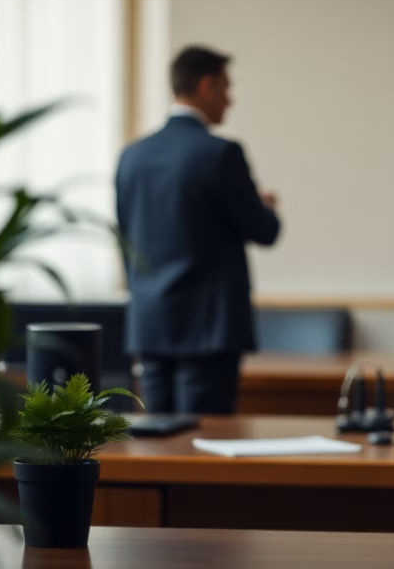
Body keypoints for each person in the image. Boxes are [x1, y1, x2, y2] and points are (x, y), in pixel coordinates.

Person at [115, 45, 281, 414]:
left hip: (149, 324)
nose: (230, 99)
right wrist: (265, 205)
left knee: (156, 439)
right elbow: (264, 230)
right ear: (206, 86)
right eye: (226, 87)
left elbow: (126, 238)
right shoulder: (220, 154)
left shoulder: (132, 156)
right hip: (209, 331)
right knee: (203, 440)